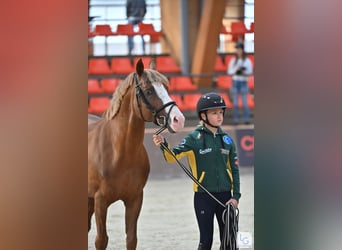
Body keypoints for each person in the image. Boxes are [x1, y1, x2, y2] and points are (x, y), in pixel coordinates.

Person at [153, 93, 241, 250]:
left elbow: (235, 170)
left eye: (221, 112)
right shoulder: (194, 138)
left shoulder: (227, 140)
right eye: (214, 113)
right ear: (203, 115)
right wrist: (163, 145)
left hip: (226, 198)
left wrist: (236, 197)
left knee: (230, 243)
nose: (219, 116)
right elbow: (172, 157)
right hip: (203, 197)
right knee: (205, 241)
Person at [227, 43, 253, 125]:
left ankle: (246, 120)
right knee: (235, 104)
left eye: (239, 49)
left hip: (243, 82)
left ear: (242, 50)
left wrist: (243, 71)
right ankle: (236, 120)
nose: (238, 51)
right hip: (235, 82)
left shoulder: (247, 61)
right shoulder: (233, 60)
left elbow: (250, 72)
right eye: (237, 49)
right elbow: (229, 72)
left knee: (245, 103)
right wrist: (236, 69)